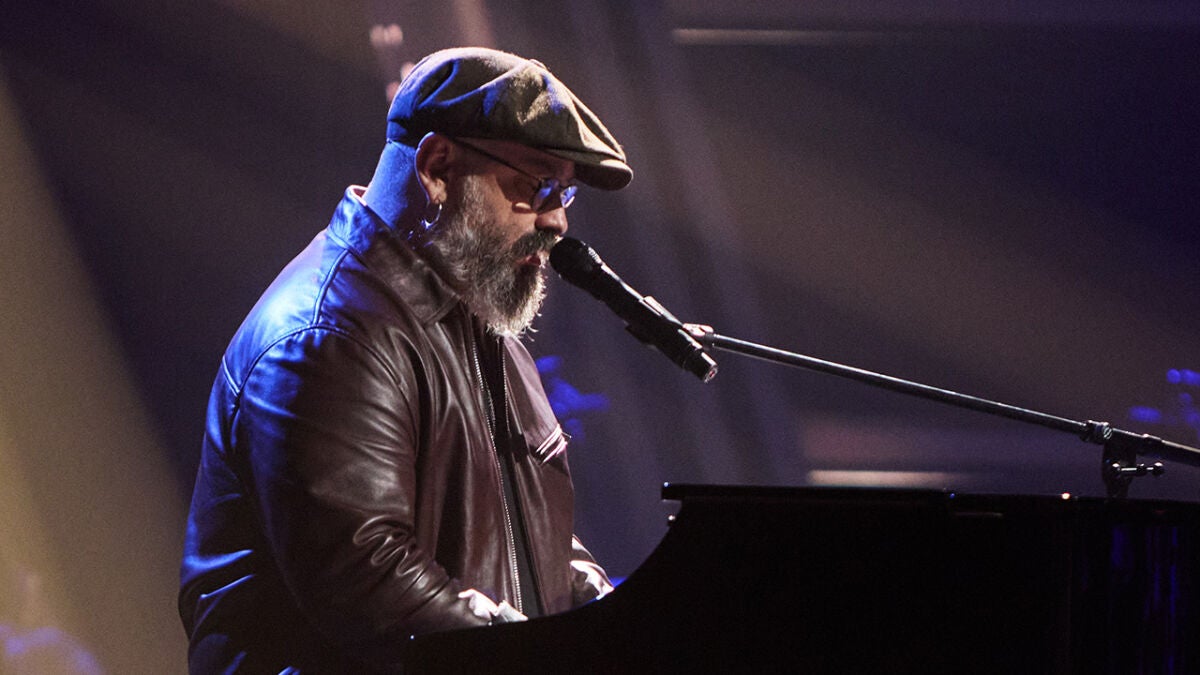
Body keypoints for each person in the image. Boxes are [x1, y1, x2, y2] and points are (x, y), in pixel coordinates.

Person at [178, 47, 632, 673]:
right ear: (438, 167)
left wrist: (617, 620)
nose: (556, 221)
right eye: (538, 186)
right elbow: (369, 580)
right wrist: (552, 650)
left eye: (566, 194)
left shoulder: (478, 326)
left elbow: (528, 536)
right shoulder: (330, 335)